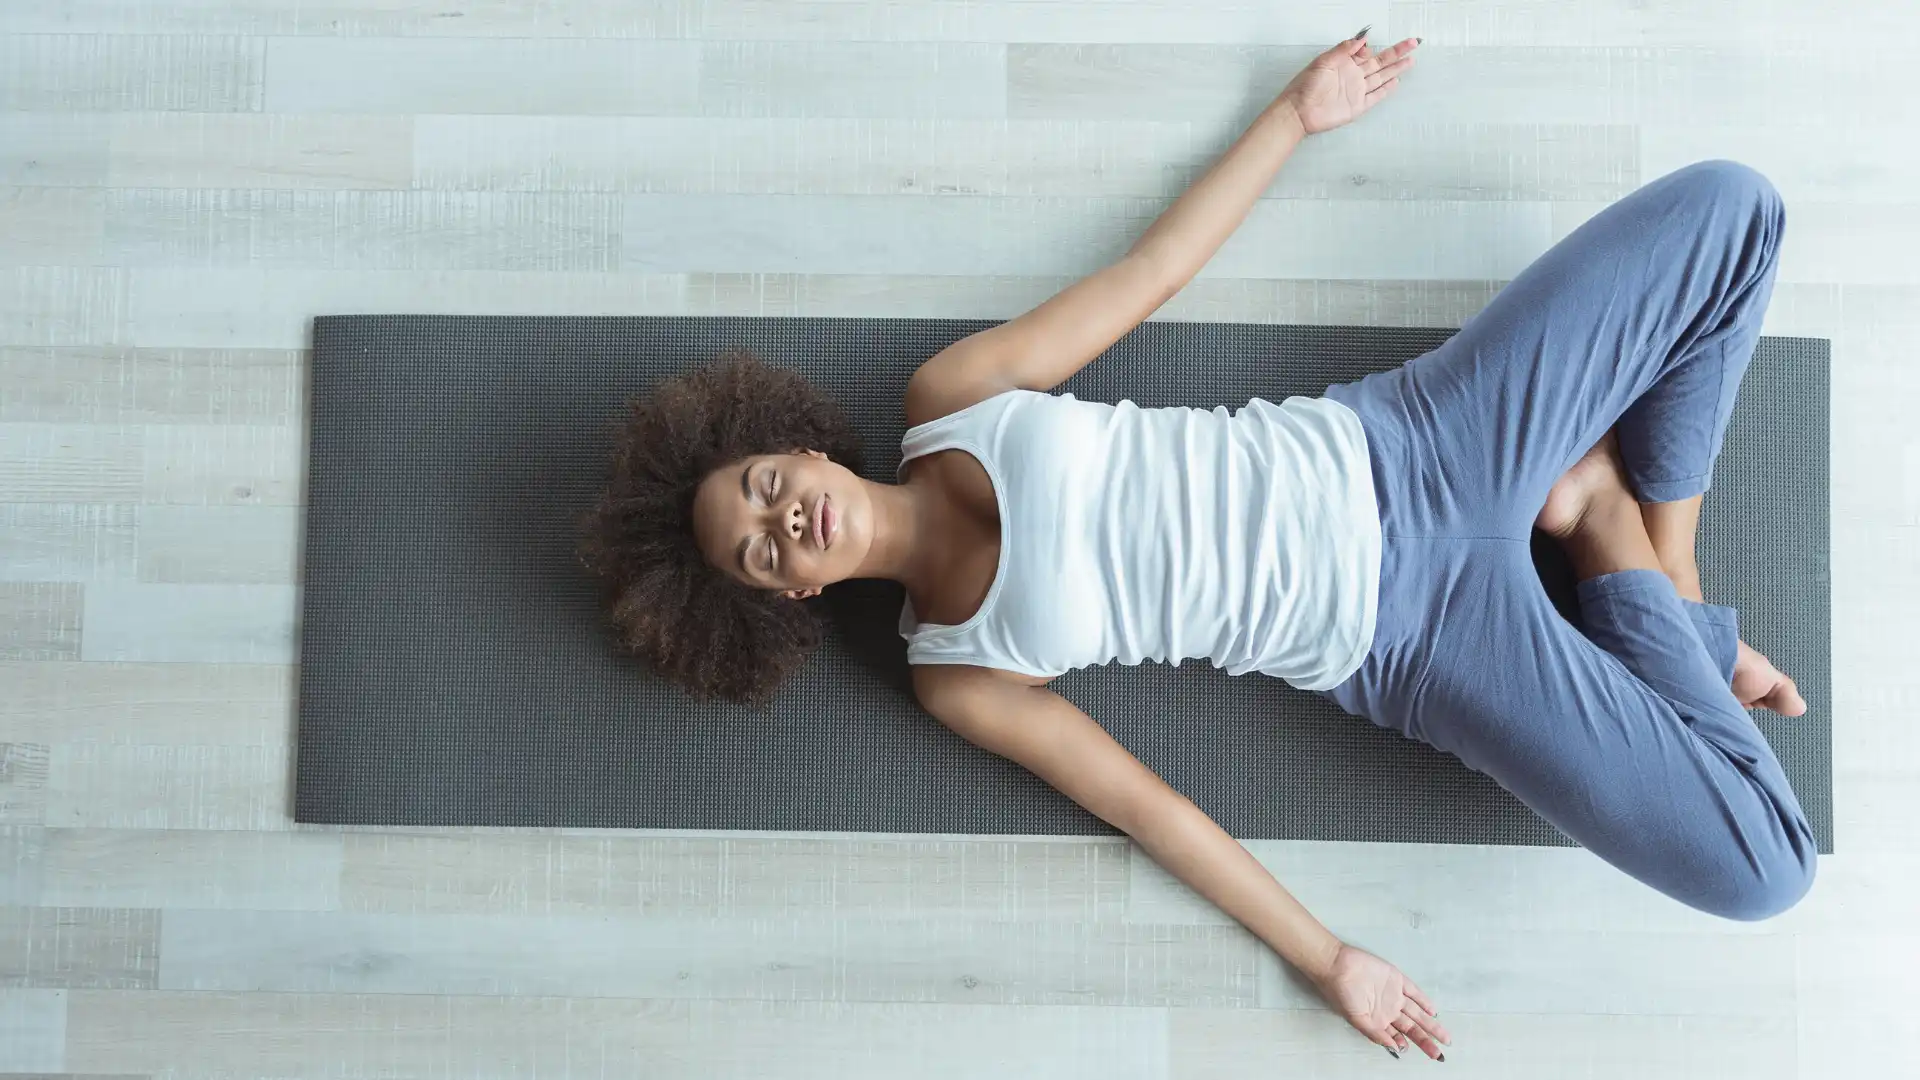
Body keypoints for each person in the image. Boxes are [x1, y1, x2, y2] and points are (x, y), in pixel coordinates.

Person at [582, 30, 1819, 1061]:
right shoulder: (955, 669)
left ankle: (1658, 569)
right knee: (1767, 872)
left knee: (1736, 210)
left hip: (1420, 441)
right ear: (788, 594)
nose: (776, 516)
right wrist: (1328, 957)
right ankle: (1614, 532)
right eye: (756, 549)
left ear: (791, 446)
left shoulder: (950, 395)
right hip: (1416, 645)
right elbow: (1149, 808)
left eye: (758, 484)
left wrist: (1292, 113)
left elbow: (1152, 271)